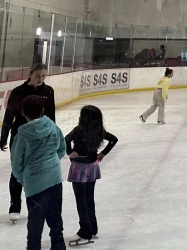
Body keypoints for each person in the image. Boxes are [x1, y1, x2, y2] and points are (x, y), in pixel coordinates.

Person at [0, 62, 56, 221]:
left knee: (38, 170)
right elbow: (9, 116)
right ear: (30, 74)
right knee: (17, 171)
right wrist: (3, 138)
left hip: (40, 137)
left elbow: (51, 115)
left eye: (44, 76)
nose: (41, 79)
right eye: (38, 76)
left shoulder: (48, 91)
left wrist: (52, 136)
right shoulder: (18, 92)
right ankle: (15, 204)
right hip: (19, 136)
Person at [11, 95, 66, 250]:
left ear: (23, 112)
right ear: (43, 110)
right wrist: (52, 163)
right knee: (56, 222)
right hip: (55, 179)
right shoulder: (52, 126)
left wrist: (24, 179)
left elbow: (16, 164)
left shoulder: (21, 136)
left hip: (34, 184)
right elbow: (62, 148)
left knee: (35, 228)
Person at [65, 106, 118, 245]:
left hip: (79, 168)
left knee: (81, 201)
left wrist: (70, 152)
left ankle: (85, 231)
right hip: (92, 168)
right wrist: (103, 153)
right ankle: (92, 228)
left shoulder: (78, 130)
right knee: (89, 199)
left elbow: (64, 140)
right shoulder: (99, 131)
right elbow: (114, 140)